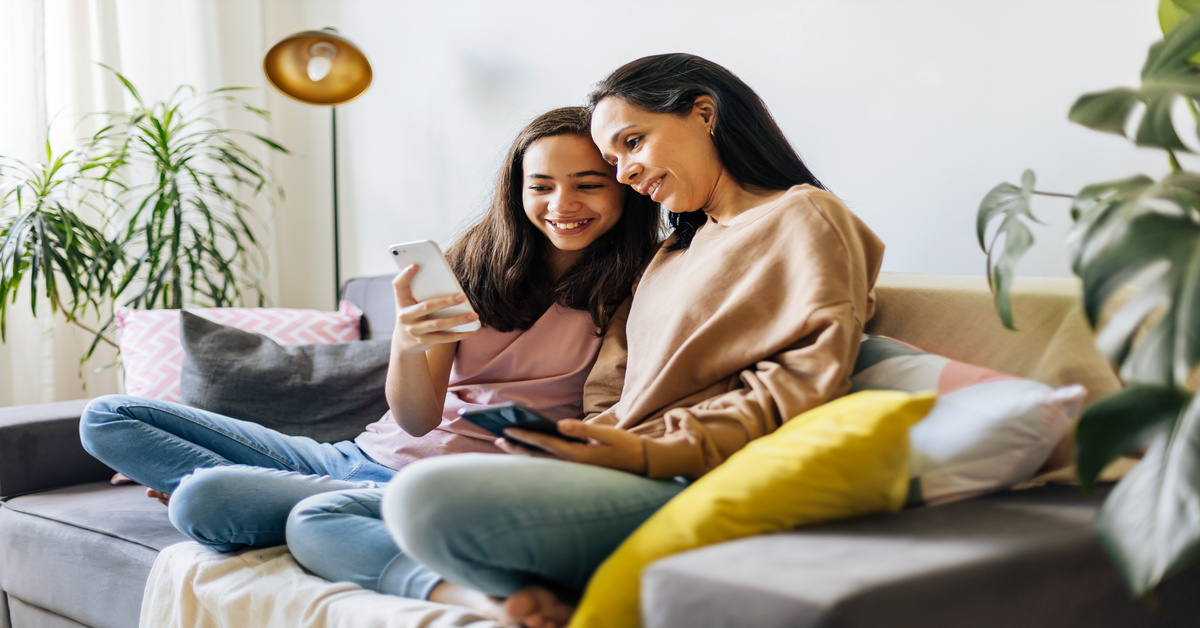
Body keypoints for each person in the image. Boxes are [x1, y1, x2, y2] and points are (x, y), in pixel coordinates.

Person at [77, 106, 661, 613]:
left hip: (440, 486)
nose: (562, 204)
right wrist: (408, 341)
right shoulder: (467, 263)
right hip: (352, 457)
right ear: (518, 190)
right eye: (541, 185)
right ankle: (284, 493)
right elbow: (415, 419)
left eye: (588, 184)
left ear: (623, 188)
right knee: (106, 417)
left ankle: (280, 501)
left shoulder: (640, 286)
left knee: (204, 500)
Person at [379, 53, 887, 628]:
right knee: (329, 514)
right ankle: (518, 591)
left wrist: (644, 451)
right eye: (614, 158)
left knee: (420, 501)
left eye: (633, 143)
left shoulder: (803, 216)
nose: (625, 173)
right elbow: (613, 389)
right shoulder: (675, 251)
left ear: (703, 114)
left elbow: (801, 385)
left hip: (678, 474)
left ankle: (500, 588)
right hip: (610, 466)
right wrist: (577, 442)